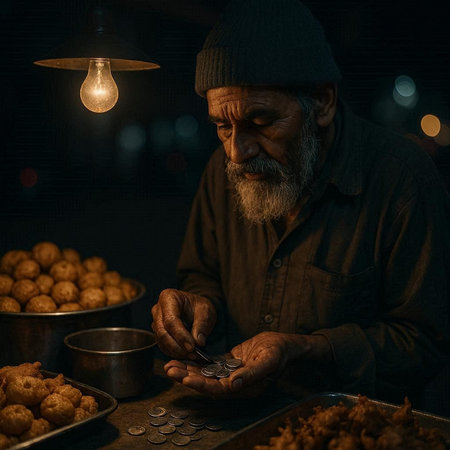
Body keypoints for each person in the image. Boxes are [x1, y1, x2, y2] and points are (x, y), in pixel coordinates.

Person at [151, 0, 450, 403]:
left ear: (322, 102)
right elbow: (201, 276)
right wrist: (199, 307)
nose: (237, 152)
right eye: (223, 126)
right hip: (241, 414)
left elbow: (426, 344)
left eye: (260, 122)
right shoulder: (220, 172)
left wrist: (307, 349)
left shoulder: (402, 180)